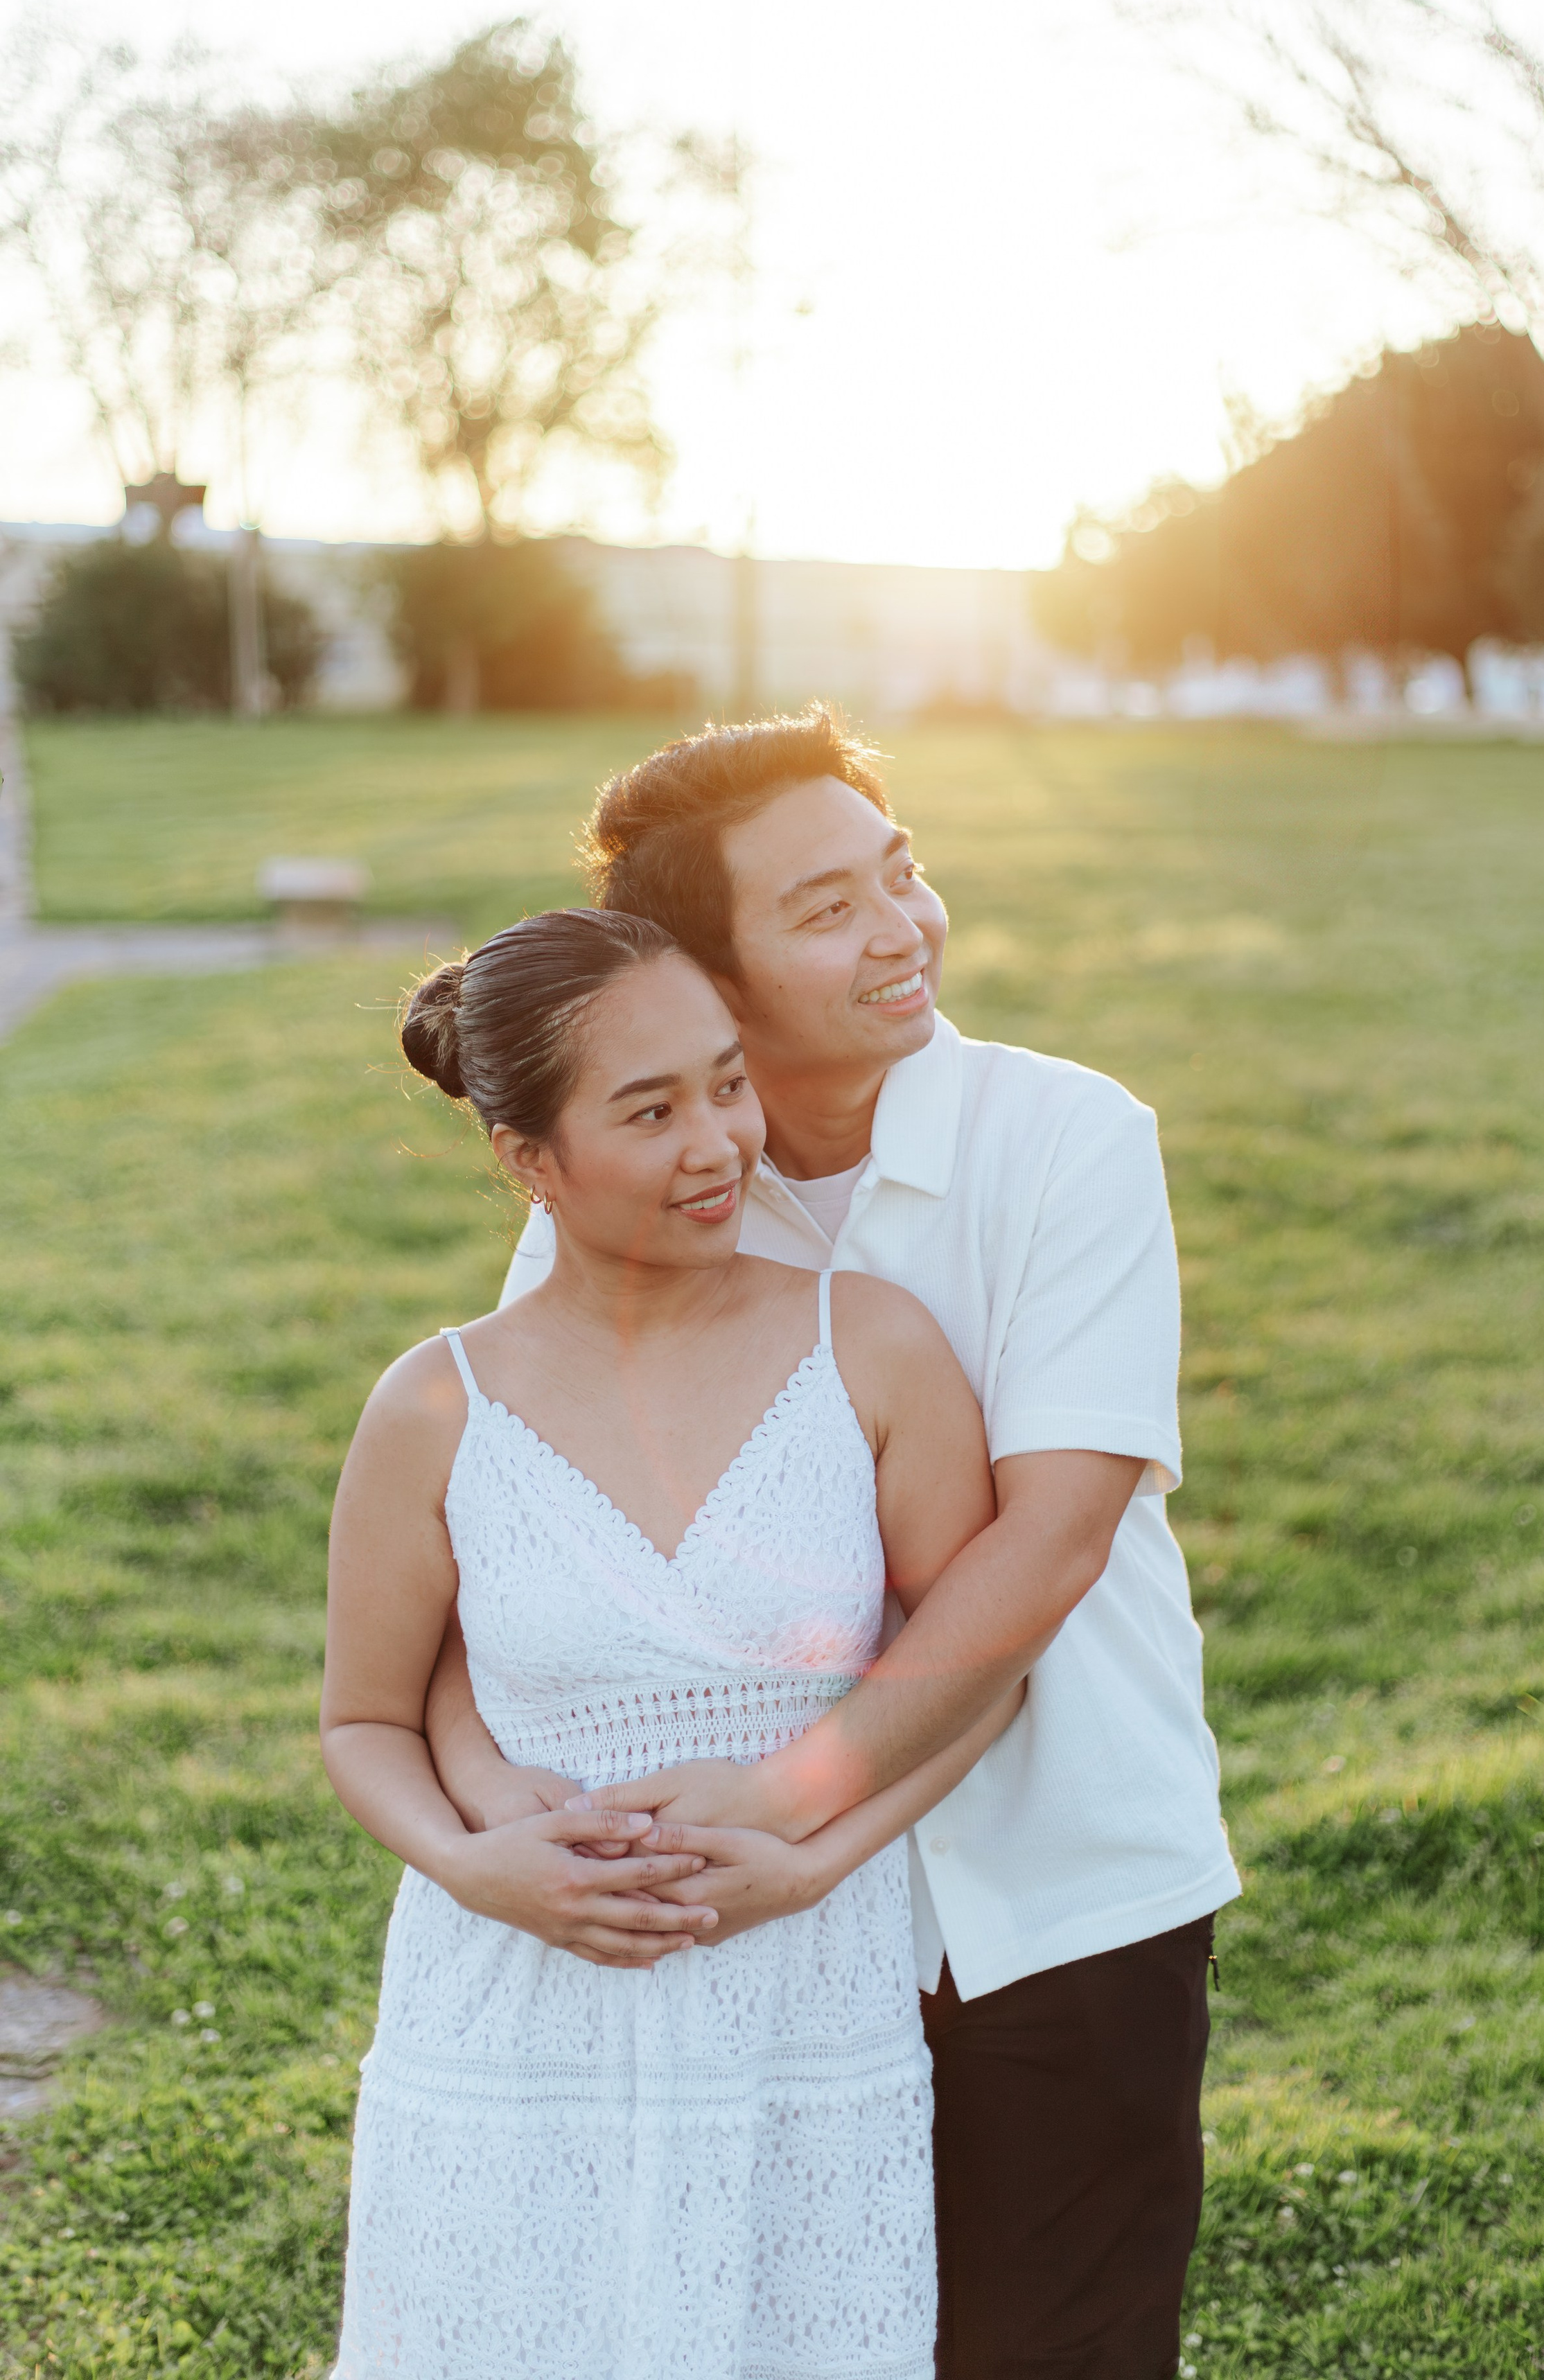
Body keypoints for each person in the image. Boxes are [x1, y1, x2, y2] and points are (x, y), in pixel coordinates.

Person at [426, 708, 1242, 2380]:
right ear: (709, 976)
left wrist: (791, 1805)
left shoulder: (1066, 1142)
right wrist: (501, 1817)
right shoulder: (642, 1185)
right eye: (826, 909)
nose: (900, 930)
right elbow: (503, 1516)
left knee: (1054, 2350)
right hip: (757, 1950)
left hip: (1057, 1888)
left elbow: (1054, 1538)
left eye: (902, 873)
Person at [322, 906, 1021, 2379]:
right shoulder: (434, 1405)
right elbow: (365, 1724)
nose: (718, 1144)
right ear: (529, 1160)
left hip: (797, 2012)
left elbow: (975, 1673)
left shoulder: (872, 1348)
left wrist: (812, 1858)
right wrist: (468, 1865)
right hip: (504, 2015)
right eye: (651, 1111)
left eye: (725, 1081)